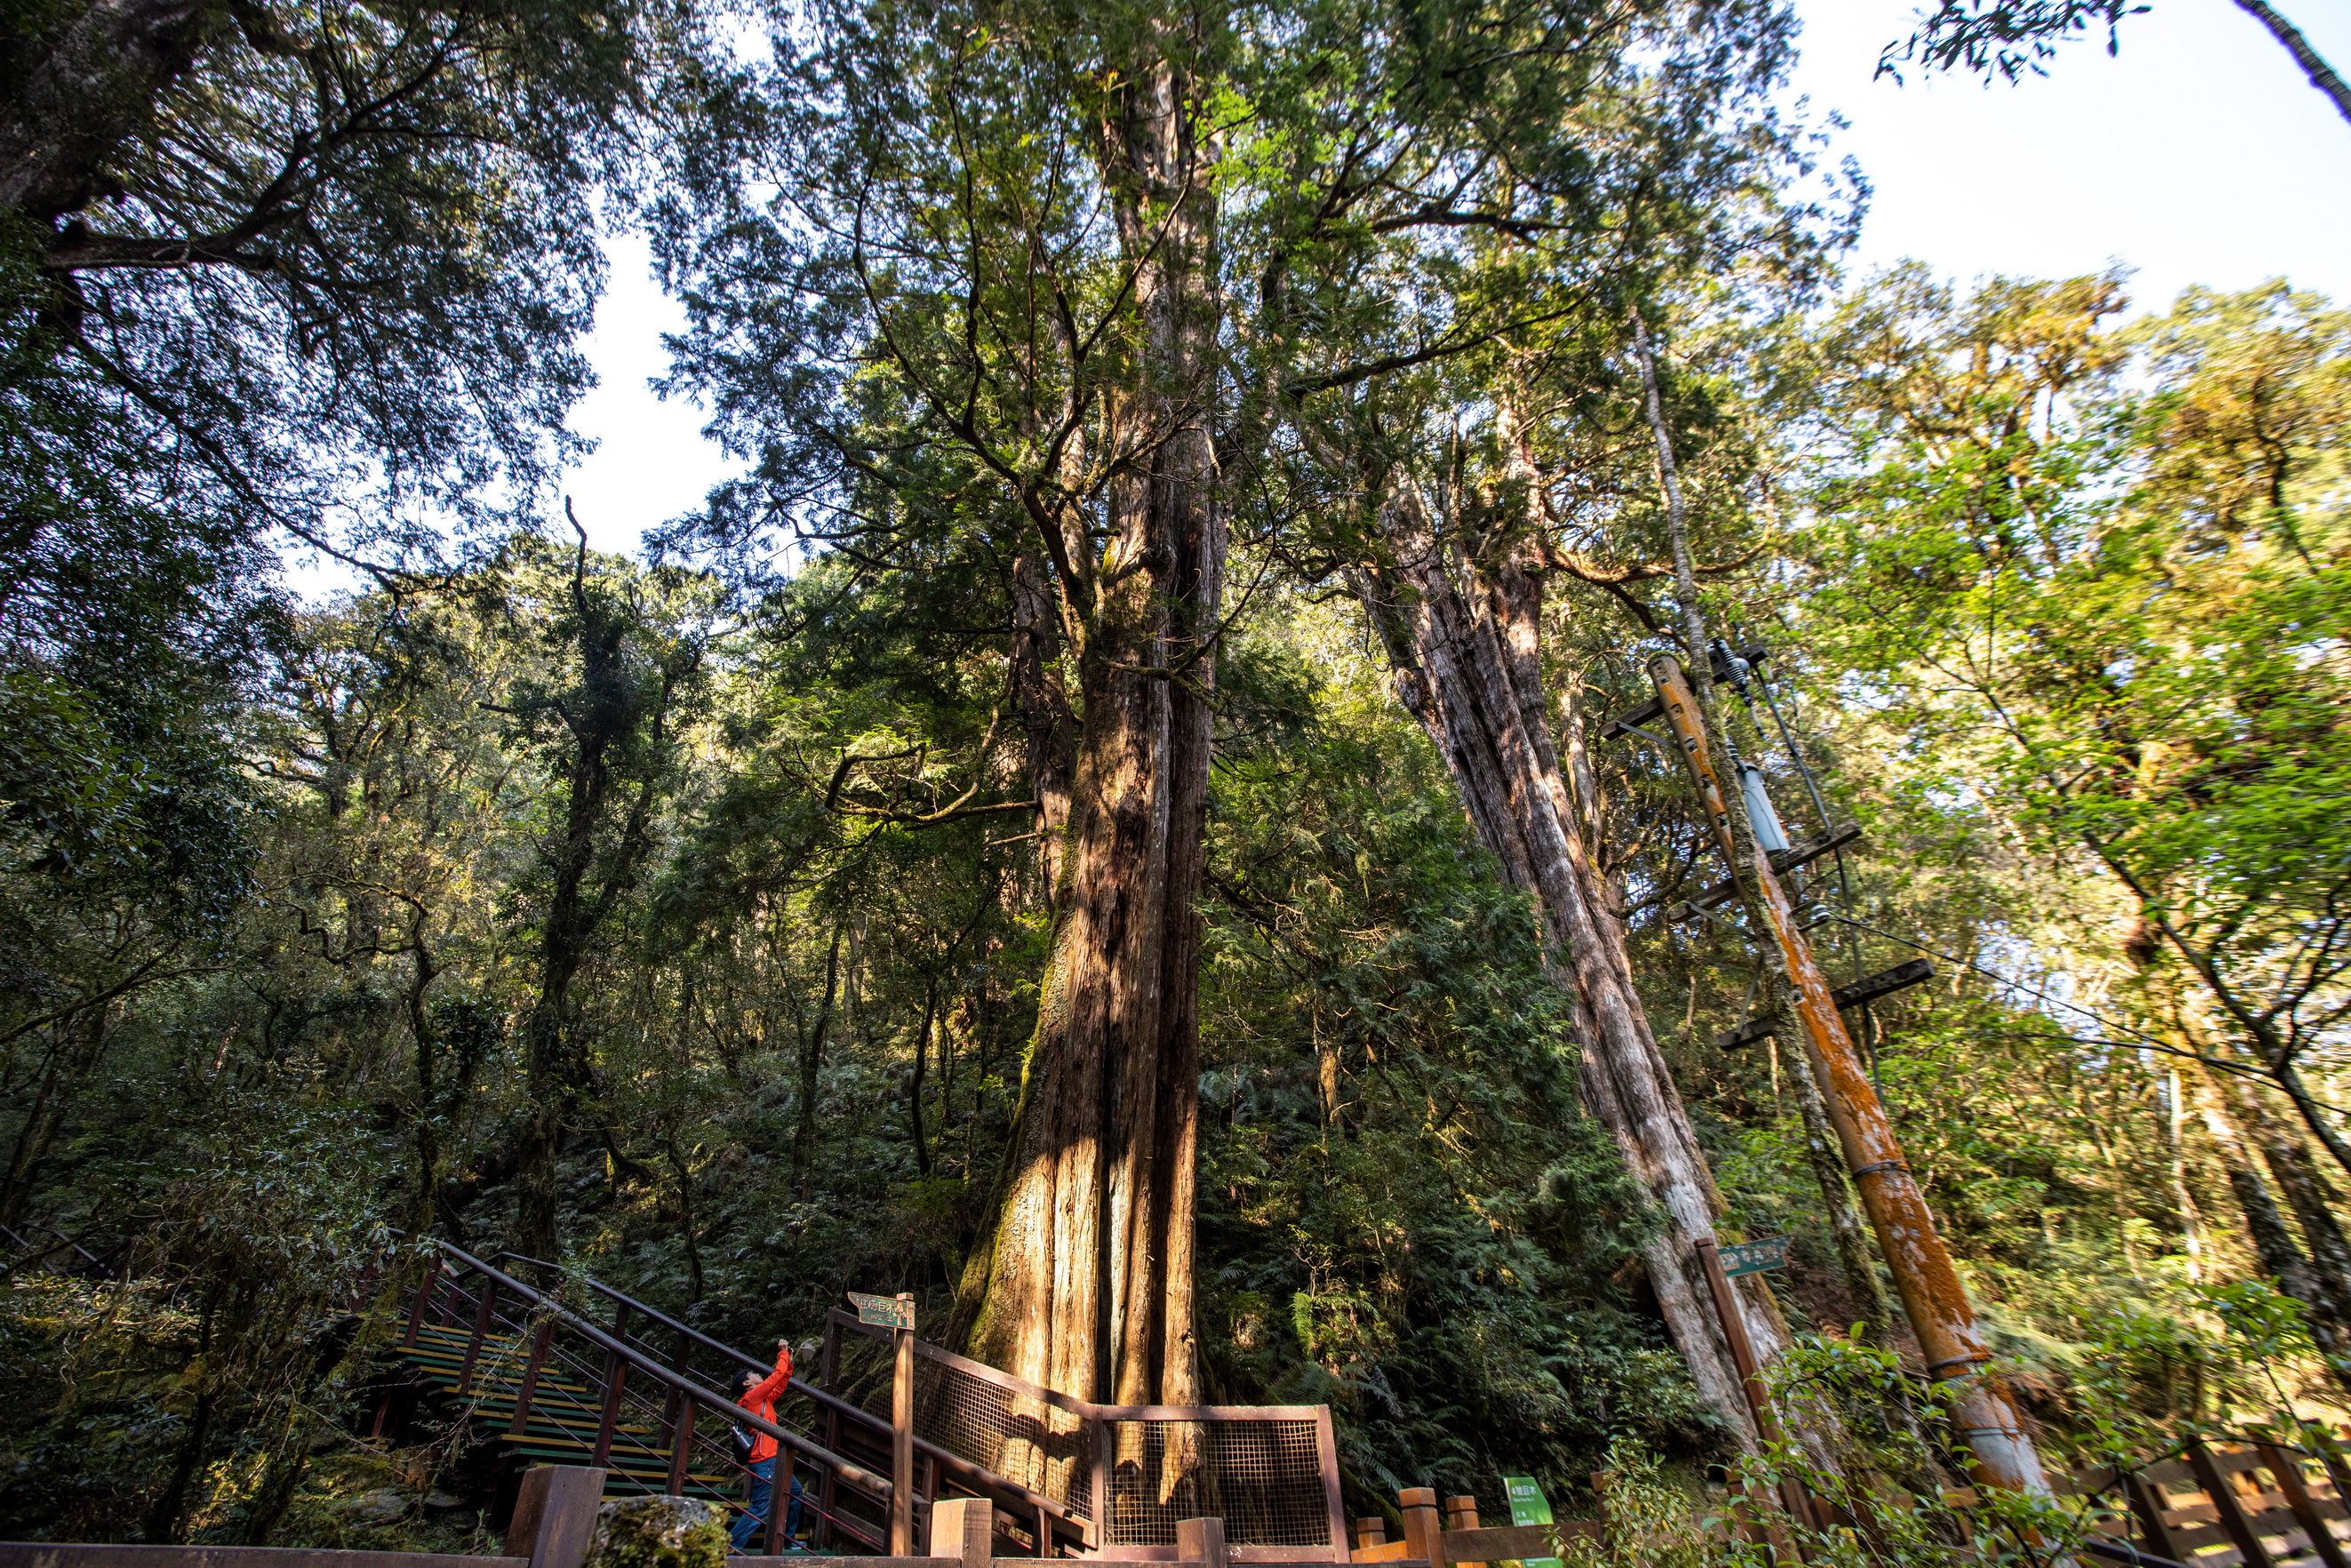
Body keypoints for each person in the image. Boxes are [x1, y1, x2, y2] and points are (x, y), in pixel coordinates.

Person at [729, 1339, 804, 1552]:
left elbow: (780, 1382)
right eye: (752, 1373)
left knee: (795, 1492)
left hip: (773, 1458)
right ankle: (730, 1546)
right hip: (765, 1460)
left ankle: (787, 1540)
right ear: (746, 1383)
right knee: (761, 1507)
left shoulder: (761, 1399)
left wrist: (788, 1362)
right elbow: (774, 1377)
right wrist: (781, 1355)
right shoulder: (751, 1397)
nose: (757, 1373)